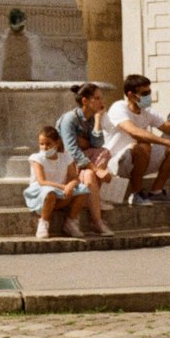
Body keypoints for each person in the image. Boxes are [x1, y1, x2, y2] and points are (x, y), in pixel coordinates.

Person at [102, 73, 170, 205]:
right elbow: (135, 132)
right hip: (117, 161)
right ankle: (136, 193)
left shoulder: (147, 111)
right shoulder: (119, 107)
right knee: (144, 145)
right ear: (131, 95)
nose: (148, 96)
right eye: (144, 93)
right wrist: (169, 143)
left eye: (149, 92)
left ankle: (156, 191)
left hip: (141, 158)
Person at [57, 83, 114, 235]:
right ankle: (95, 217)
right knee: (92, 172)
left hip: (84, 165)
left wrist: (97, 120)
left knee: (102, 155)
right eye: (97, 98)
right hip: (68, 164)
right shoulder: (70, 119)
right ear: (85, 101)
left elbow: (97, 144)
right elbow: (71, 150)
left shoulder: (91, 119)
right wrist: (97, 170)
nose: (102, 102)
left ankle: (96, 219)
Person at [24, 125, 89, 240]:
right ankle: (43, 222)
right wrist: (64, 187)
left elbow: (75, 177)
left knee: (83, 190)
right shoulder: (36, 158)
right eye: (41, 144)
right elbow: (42, 181)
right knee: (50, 192)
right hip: (41, 190)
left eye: (48, 144)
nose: (44, 147)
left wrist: (71, 185)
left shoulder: (65, 157)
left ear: (57, 143)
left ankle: (71, 222)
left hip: (60, 190)